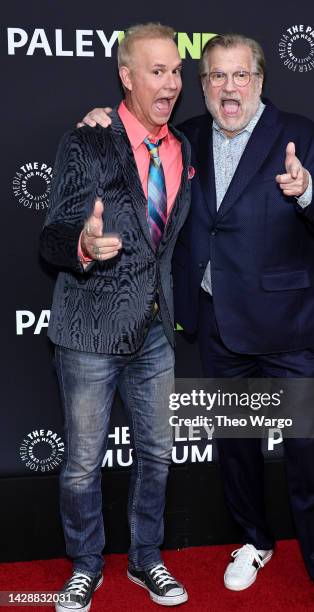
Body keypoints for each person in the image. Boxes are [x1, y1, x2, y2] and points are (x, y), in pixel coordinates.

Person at [80, 33, 314, 612]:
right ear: (201, 88)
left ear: (260, 81)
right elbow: (137, 147)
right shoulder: (189, 139)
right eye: (216, 78)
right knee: (236, 449)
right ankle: (255, 541)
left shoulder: (302, 137)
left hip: (290, 330)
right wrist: (100, 118)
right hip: (222, 327)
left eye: (241, 77)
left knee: (306, 452)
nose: (229, 89)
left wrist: (306, 193)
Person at [39, 23, 192, 611]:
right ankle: (85, 564)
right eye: (158, 71)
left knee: (156, 454)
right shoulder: (88, 141)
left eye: (177, 71)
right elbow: (51, 236)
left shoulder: (185, 147)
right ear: (126, 77)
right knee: (81, 464)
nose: (173, 83)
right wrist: (82, 243)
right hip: (89, 331)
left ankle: (146, 559)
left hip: (155, 330)